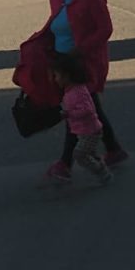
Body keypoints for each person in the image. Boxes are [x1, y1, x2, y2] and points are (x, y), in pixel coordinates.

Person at [28, 0, 128, 184]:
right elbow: (56, 21)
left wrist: (80, 50)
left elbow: (104, 30)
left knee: (76, 110)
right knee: (91, 105)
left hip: (84, 63)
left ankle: (65, 163)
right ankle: (114, 149)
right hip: (63, 59)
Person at [51, 52, 112, 185]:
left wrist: (69, 113)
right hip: (83, 131)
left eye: (57, 76)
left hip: (90, 131)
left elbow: (88, 109)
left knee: (79, 155)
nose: (55, 79)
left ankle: (101, 172)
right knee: (89, 153)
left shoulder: (78, 91)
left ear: (66, 76)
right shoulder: (69, 91)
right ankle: (102, 168)